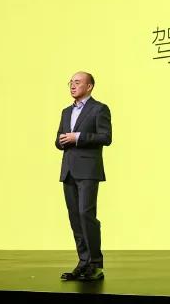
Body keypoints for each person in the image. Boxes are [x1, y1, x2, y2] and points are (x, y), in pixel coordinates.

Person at [55, 71, 112, 281]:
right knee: (75, 217)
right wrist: (62, 140)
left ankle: (95, 264)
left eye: (77, 82)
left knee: (86, 214)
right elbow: (58, 140)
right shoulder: (65, 112)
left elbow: (106, 137)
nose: (72, 85)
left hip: (88, 170)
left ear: (89, 86)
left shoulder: (99, 109)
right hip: (68, 170)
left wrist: (78, 137)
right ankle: (83, 262)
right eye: (71, 82)